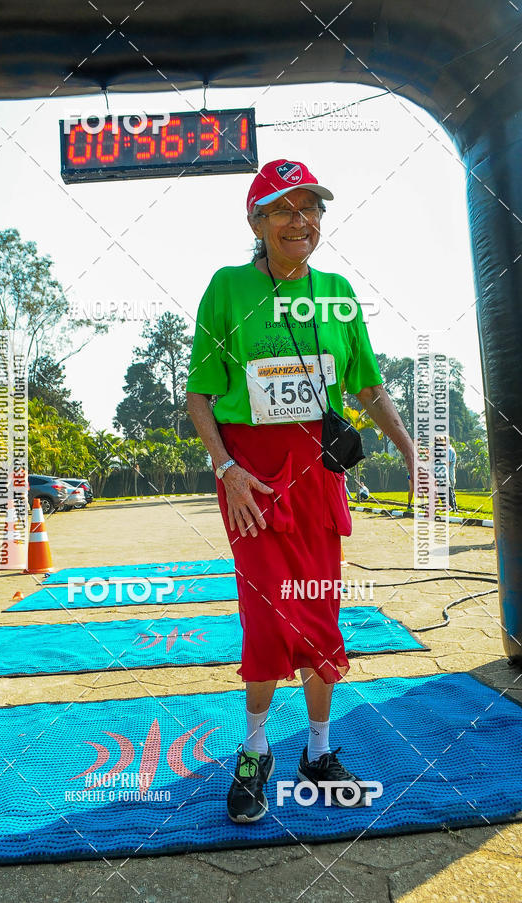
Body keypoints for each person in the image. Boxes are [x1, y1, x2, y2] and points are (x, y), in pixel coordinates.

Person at [186, 158, 416, 824]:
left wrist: (411, 451)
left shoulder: (338, 292)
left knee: (318, 614)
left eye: (311, 208)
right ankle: (255, 749)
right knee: (265, 618)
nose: (301, 220)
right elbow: (200, 394)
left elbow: (367, 386)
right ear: (256, 220)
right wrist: (227, 471)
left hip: (319, 476)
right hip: (252, 479)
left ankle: (316, 751)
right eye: (285, 208)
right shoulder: (227, 288)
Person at [448, 439, 458, 511]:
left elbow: (447, 463)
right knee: (450, 490)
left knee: (450, 490)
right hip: (448, 473)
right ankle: (454, 507)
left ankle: (453, 507)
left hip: (449, 473)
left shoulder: (449, 450)